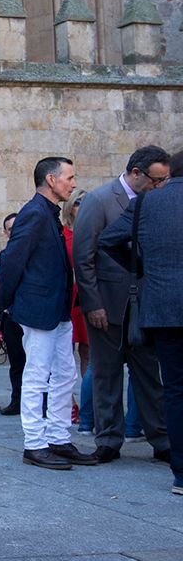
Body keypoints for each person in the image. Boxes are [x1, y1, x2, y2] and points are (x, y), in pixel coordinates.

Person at [72, 145, 171, 464]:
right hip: (108, 304)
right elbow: (83, 257)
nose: (160, 187)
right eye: (156, 180)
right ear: (136, 173)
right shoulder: (99, 200)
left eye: (164, 180)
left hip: (146, 304)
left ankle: (161, 437)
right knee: (106, 373)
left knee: (149, 374)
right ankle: (109, 439)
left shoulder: (157, 201)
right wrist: (93, 303)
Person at [0, 157, 94, 471]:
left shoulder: (49, 214)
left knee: (65, 374)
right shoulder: (35, 214)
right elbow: (12, 260)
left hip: (60, 310)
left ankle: (57, 436)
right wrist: (7, 304)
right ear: (51, 181)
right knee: (37, 375)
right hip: (39, 310)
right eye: (69, 177)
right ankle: (35, 444)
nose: (73, 183)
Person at [98, 148, 183, 495]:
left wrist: (144, 269)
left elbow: (108, 241)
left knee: (174, 388)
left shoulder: (148, 204)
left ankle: (181, 474)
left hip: (162, 307)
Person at [63, 188, 90, 429]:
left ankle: (89, 403)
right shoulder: (63, 235)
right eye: (78, 202)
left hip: (89, 297)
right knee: (65, 354)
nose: (83, 206)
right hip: (68, 298)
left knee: (88, 352)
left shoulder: (94, 232)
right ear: (70, 206)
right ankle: (69, 404)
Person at [0, 212, 25, 416]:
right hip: (11, 316)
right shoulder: (5, 255)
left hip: (30, 314)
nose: (13, 231)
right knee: (16, 362)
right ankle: (17, 400)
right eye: (10, 228)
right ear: (5, 233)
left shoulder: (32, 251)